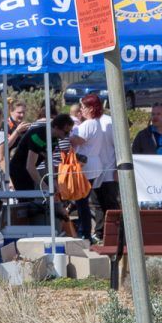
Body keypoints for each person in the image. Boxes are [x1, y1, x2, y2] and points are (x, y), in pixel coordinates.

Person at [73, 93, 118, 241]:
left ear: (91, 108)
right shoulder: (97, 122)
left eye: (84, 107)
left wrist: (64, 133)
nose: (81, 110)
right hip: (98, 166)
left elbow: (78, 141)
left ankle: (98, 233)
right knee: (97, 204)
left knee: (95, 203)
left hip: (99, 168)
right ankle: (101, 234)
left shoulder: (95, 123)